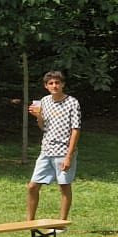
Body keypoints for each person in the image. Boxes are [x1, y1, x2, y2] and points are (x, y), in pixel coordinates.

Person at [25, 70, 80, 219]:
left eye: (57, 83)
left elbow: (75, 130)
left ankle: (61, 223)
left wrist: (69, 156)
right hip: (46, 150)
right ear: (46, 86)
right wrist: (38, 116)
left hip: (63, 151)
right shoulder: (44, 101)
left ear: (63, 84)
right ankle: (29, 222)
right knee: (32, 186)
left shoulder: (72, 102)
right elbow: (43, 127)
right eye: (51, 83)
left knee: (64, 186)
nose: (54, 85)